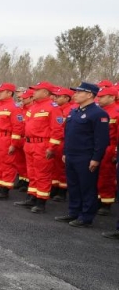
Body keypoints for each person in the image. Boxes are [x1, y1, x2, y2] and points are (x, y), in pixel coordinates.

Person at [54, 82, 109, 228]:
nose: (75, 94)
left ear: (90, 95)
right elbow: (68, 134)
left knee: (87, 187)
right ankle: (74, 212)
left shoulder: (99, 114)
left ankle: (86, 216)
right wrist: (65, 152)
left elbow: (101, 140)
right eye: (76, 92)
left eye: (79, 92)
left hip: (86, 156)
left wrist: (96, 158)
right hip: (71, 154)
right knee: (73, 186)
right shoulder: (74, 112)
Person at [15, 82, 64, 214]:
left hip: (42, 145)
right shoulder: (33, 107)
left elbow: (57, 130)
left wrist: (51, 148)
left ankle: (41, 202)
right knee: (32, 173)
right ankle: (32, 197)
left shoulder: (53, 107)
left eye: (37, 90)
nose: (34, 92)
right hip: (30, 144)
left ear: (46, 92)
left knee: (42, 174)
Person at [95, 87, 119, 216]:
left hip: (110, 149)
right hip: (97, 147)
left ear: (112, 97)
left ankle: (106, 203)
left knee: (107, 176)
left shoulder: (116, 112)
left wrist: (115, 153)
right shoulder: (99, 111)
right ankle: (98, 199)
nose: (99, 99)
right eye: (98, 97)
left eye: (102, 97)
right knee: (96, 175)